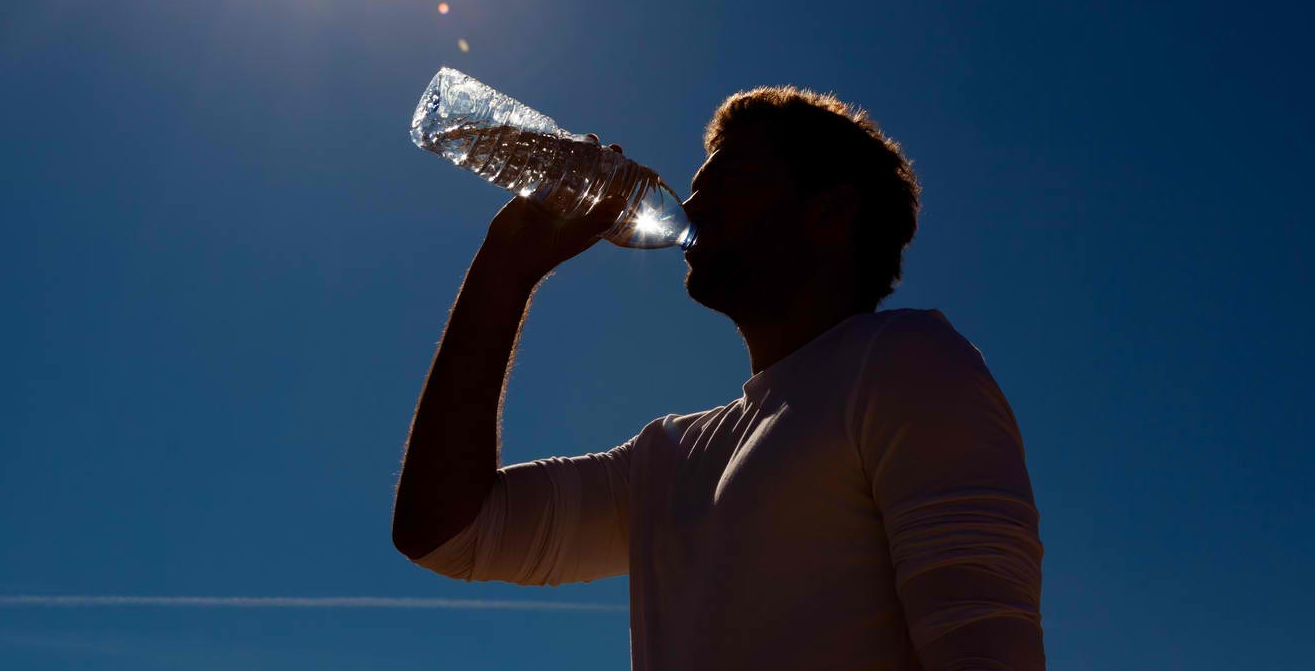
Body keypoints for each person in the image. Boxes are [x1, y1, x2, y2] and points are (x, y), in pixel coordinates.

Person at [392, 86, 1045, 670]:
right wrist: (508, 263)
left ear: (829, 211)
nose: (691, 200)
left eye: (729, 178)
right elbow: (447, 531)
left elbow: (984, 646)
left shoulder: (907, 360)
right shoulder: (665, 459)